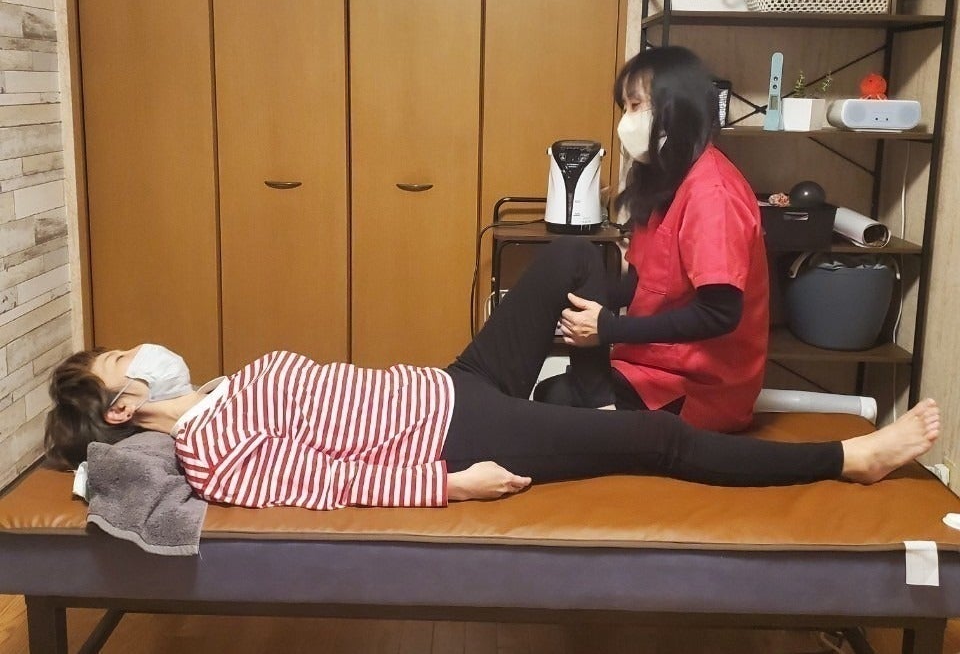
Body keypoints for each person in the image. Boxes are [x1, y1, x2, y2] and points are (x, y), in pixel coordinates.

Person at [44, 239, 940, 510]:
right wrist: (453, 485)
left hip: (453, 381)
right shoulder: (213, 451)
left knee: (571, 261)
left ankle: (598, 387)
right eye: (123, 359)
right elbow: (331, 482)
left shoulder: (211, 395)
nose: (141, 350)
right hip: (460, 435)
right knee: (659, 440)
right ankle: (848, 460)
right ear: (121, 406)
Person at [534, 46, 768, 433]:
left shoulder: (712, 193)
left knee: (556, 402)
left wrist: (608, 328)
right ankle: (601, 406)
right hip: (652, 365)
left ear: (674, 108)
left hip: (699, 387)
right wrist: (574, 302)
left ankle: (605, 412)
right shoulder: (666, 182)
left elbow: (720, 313)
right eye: (624, 108)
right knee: (548, 392)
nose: (626, 122)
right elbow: (645, 283)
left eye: (635, 106)